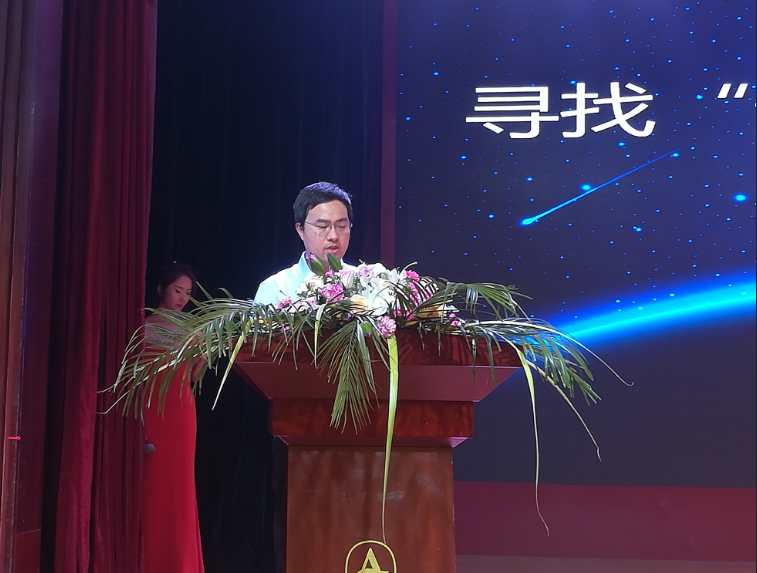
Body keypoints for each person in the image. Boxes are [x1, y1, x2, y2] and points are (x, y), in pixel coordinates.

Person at [142, 261, 205, 573]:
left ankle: (180, 563)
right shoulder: (143, 325)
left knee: (180, 486)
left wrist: (205, 354)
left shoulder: (194, 327)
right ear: (161, 289)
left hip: (181, 412)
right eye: (177, 290)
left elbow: (193, 377)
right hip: (152, 410)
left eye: (188, 292)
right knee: (153, 486)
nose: (183, 298)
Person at [254, 181, 354, 305]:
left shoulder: (366, 284)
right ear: (300, 229)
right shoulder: (275, 291)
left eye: (342, 226)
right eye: (322, 227)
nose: (333, 236)